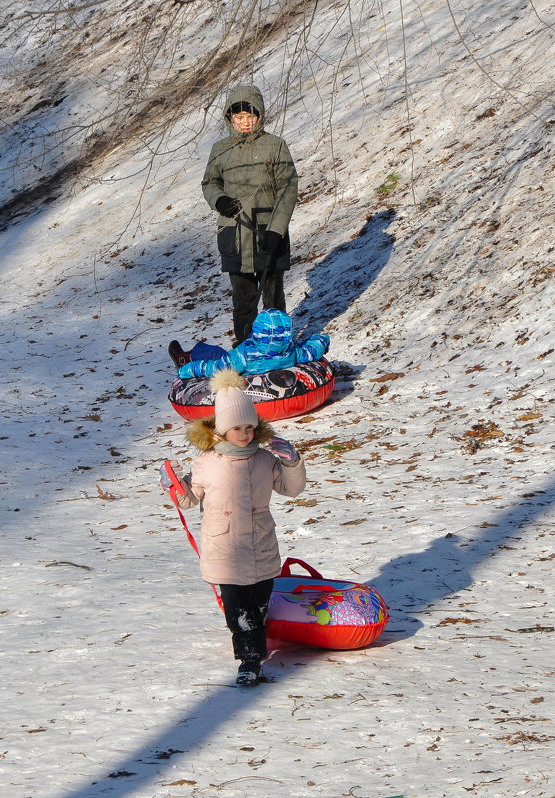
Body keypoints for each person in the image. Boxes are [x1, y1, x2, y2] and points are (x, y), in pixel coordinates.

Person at [160, 369, 306, 686]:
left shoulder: (265, 460)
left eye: (249, 427)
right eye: (236, 428)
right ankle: (249, 660)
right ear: (222, 431)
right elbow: (188, 499)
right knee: (238, 609)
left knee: (260, 602)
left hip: (261, 544)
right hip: (224, 549)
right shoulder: (206, 463)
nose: (244, 434)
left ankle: (257, 638)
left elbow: (291, 489)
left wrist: (292, 463)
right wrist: (173, 485)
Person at [202, 84, 299, 343]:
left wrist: (276, 231)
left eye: (250, 116)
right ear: (230, 118)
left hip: (268, 233)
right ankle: (246, 348)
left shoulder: (275, 146)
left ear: (260, 115)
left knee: (273, 297)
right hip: (234, 234)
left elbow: (288, 187)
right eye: (239, 117)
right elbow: (209, 183)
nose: (245, 122)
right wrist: (219, 200)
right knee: (242, 299)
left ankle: (277, 346)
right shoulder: (220, 149)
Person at [169, 308, 328, 380]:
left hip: (245, 369)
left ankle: (187, 358)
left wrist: (186, 370)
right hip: (275, 358)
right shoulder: (293, 352)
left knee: (214, 354)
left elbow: (215, 368)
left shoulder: (244, 355)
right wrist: (322, 339)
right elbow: (313, 349)